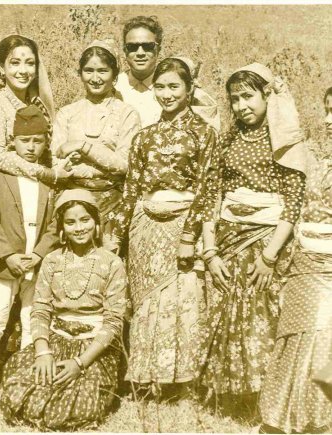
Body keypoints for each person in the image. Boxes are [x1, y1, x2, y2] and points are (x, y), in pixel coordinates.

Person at [197, 63, 307, 418]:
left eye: (248, 96)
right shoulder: (228, 140)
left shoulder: (283, 141)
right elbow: (212, 194)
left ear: (266, 95)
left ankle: (265, 397)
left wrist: (270, 256)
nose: (241, 105)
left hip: (268, 240)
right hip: (228, 238)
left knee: (264, 314)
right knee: (225, 312)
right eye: (235, 99)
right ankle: (229, 395)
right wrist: (210, 250)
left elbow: (293, 201)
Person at [110, 57, 219, 395]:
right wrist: (116, 233)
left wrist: (188, 237)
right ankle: (144, 380)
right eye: (161, 87)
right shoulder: (144, 137)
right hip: (144, 226)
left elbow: (207, 189)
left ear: (189, 89)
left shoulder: (204, 133)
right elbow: (131, 189)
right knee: (145, 302)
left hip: (183, 224)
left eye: (174, 86)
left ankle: (180, 384)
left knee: (181, 301)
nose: (167, 94)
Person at [0, 189, 128, 430]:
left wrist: (80, 363)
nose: (79, 228)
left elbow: (113, 321)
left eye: (85, 220)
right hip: (56, 341)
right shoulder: (52, 260)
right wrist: (43, 352)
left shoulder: (112, 262)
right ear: (61, 228)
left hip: (93, 349)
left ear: (96, 223)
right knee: (18, 395)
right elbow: (40, 310)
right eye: (70, 222)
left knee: (77, 409)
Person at [258, 87, 332, 434]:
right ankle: (281, 415)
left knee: (322, 333)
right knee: (295, 333)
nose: (329, 120)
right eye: (328, 110)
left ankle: (317, 417)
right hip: (304, 259)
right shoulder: (316, 156)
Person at [0, 105, 59, 401]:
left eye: (38, 141)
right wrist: (8, 256)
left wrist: (39, 254)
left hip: (36, 261)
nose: (31, 148)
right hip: (7, 262)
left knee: (32, 317)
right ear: (13, 141)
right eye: (25, 141)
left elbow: (55, 224)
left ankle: (23, 374)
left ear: (46, 142)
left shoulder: (48, 178)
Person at [51, 39, 141, 242]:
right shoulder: (67, 113)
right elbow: (57, 163)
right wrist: (101, 164)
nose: (95, 78)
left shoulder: (127, 114)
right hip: (72, 204)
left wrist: (82, 147)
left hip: (114, 204)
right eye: (89, 71)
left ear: (115, 75)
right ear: (80, 74)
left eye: (102, 71)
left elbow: (124, 165)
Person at [0, 34, 71, 186]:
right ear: (2, 68)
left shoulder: (39, 104)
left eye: (30, 63)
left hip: (45, 185)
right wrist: (46, 173)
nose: (23, 71)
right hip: (11, 186)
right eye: (15, 63)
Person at [115, 15, 164, 128]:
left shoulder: (173, 88)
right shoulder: (113, 87)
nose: (140, 53)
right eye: (132, 47)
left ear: (158, 49)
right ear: (125, 51)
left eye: (148, 46)